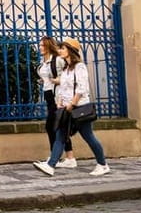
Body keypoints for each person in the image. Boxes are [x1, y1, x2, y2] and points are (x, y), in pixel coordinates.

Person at [33, 38, 110, 176]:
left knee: (89, 137)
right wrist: (60, 101)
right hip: (66, 108)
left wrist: (72, 103)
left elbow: (82, 88)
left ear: (70, 51)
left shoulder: (80, 67)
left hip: (79, 107)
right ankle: (51, 166)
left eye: (63, 48)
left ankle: (103, 165)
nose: (60, 50)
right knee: (60, 135)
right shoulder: (66, 69)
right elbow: (63, 87)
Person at [37, 36, 76, 168]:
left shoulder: (58, 60)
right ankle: (68, 157)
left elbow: (69, 75)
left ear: (48, 46)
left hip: (57, 97)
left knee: (52, 126)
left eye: (42, 45)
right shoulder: (44, 62)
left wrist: (57, 81)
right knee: (59, 126)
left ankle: (56, 157)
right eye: (40, 45)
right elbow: (48, 77)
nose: (40, 47)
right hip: (49, 95)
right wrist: (44, 81)